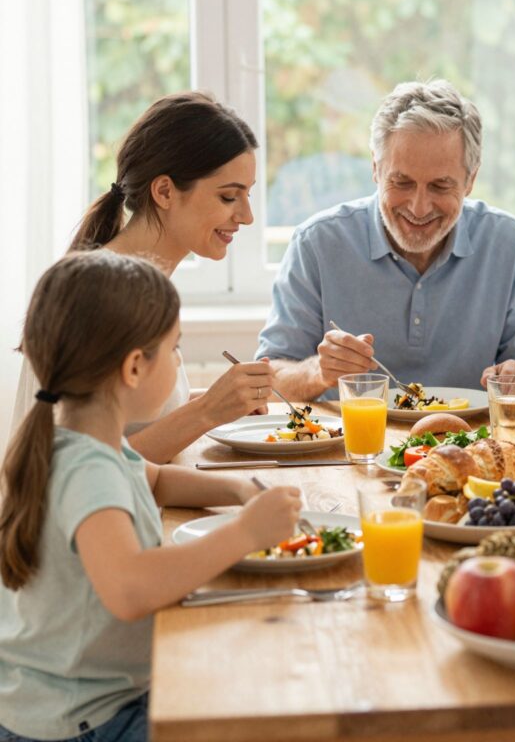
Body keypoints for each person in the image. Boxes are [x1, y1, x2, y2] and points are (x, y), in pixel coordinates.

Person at [0, 251, 301, 742]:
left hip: (69, 698)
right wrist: (246, 532)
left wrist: (239, 489)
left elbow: (155, 478)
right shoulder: (87, 469)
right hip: (85, 719)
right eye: (175, 348)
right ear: (135, 368)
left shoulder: (81, 441)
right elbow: (131, 590)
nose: (180, 360)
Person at [12, 91, 275, 464]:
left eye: (246, 195)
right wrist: (205, 413)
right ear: (165, 191)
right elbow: (76, 470)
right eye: (229, 197)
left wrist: (219, 402)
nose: (246, 216)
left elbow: (125, 421)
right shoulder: (96, 295)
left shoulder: (145, 285)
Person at [257, 80, 515, 401]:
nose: (418, 207)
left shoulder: (509, 244)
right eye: (402, 182)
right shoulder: (316, 244)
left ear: (470, 180)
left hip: (471, 445)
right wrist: (319, 371)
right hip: (349, 448)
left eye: (440, 186)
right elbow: (269, 379)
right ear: (375, 168)